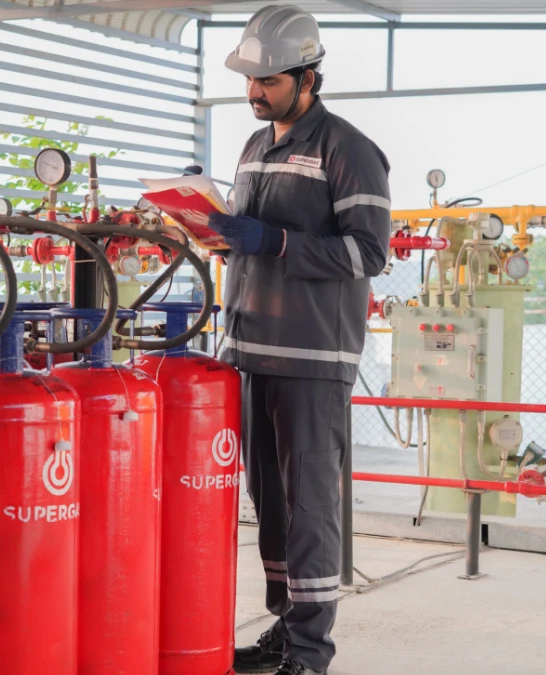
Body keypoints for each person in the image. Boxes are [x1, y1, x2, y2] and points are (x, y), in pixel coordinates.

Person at [207, 6, 392, 675]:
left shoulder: (348, 149)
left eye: (270, 81)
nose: (254, 92)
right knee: (271, 507)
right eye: (250, 80)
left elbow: (369, 253)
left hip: (312, 358)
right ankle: (286, 632)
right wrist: (214, 228)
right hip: (251, 348)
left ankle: (311, 654)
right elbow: (249, 238)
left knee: (309, 507)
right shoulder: (254, 148)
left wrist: (274, 240)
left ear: (308, 78)